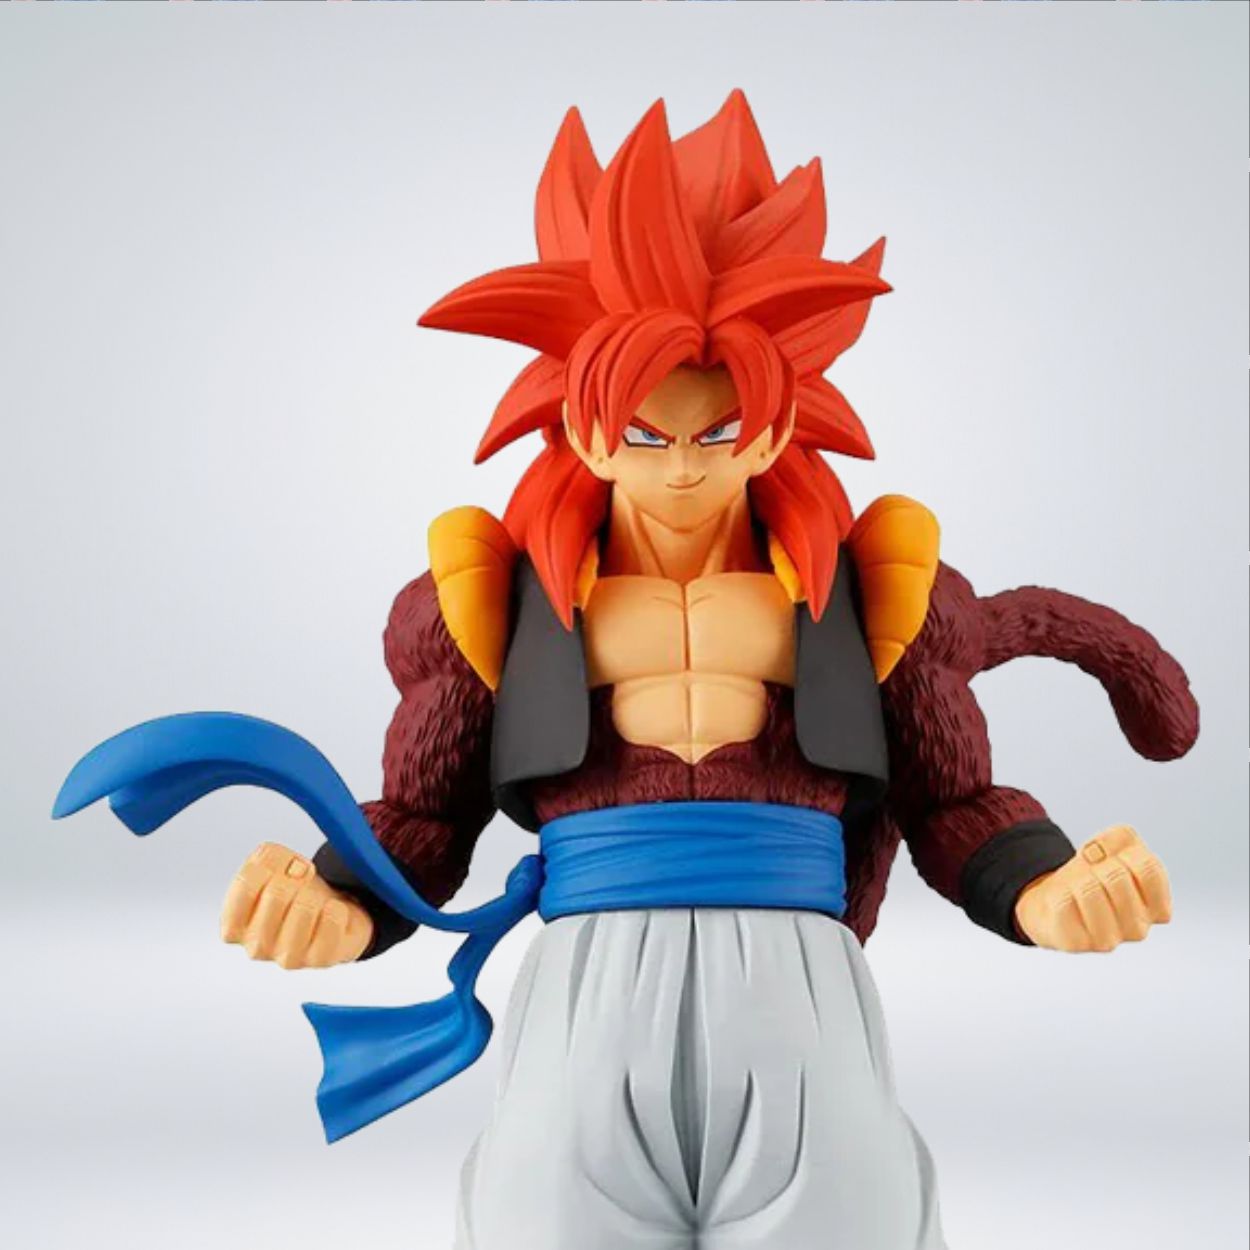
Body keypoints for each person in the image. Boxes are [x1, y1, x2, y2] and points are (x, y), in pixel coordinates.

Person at [204, 93, 1195, 1249]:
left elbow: (953, 801)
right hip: (582, 985)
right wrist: (338, 897)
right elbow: (426, 815)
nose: (679, 466)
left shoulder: (865, 597)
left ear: (777, 424)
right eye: (642, 430)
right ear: (578, 425)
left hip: (796, 986)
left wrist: (1038, 886)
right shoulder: (495, 603)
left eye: (716, 430)